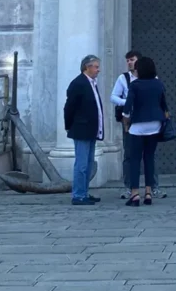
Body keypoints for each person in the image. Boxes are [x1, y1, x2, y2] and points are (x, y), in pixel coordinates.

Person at [112, 50, 163, 198]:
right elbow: (114, 97)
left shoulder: (150, 81)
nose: (129, 62)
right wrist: (127, 102)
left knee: (147, 157)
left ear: (139, 63)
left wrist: (129, 110)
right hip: (146, 123)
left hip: (135, 123)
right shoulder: (124, 78)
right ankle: (134, 188)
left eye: (132, 60)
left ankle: (148, 189)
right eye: (127, 60)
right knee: (131, 155)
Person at [122, 55, 168, 206]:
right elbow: (163, 104)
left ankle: (135, 193)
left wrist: (126, 123)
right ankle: (148, 192)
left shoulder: (135, 85)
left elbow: (128, 108)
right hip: (155, 125)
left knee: (135, 159)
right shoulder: (158, 83)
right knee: (149, 158)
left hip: (139, 125)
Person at [62, 54, 105, 206]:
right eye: (96, 67)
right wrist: (69, 125)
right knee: (81, 164)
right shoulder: (78, 83)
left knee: (88, 163)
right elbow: (69, 107)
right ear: (87, 67)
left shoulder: (91, 83)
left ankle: (84, 192)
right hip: (81, 129)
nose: (98, 70)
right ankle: (78, 195)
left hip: (91, 129)